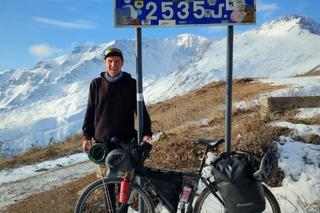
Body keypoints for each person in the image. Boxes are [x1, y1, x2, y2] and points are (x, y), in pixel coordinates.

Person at [82, 47, 152, 177]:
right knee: (106, 182)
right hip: (102, 143)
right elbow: (90, 110)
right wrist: (87, 136)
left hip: (125, 142)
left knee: (124, 183)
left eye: (117, 61)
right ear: (105, 63)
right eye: (110, 61)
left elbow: (141, 111)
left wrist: (146, 132)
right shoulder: (96, 84)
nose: (113, 64)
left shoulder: (132, 84)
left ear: (122, 63)